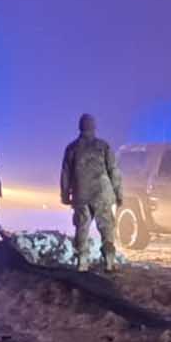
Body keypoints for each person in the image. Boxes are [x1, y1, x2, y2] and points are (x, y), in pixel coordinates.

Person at [60, 113, 124, 272]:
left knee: (82, 227)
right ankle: (109, 261)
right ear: (94, 127)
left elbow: (65, 173)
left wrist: (65, 194)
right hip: (102, 194)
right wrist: (118, 194)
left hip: (81, 195)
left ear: (80, 127)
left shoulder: (72, 148)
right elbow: (114, 171)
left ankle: (82, 262)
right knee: (107, 228)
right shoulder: (103, 146)